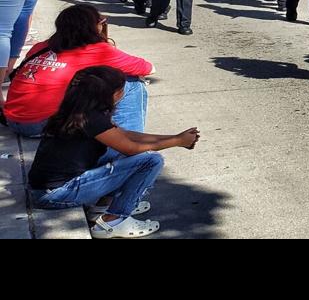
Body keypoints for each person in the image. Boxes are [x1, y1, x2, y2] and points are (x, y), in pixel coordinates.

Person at [25, 65, 199, 239]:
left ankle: (104, 206)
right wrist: (177, 142)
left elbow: (127, 135)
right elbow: (130, 148)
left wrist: (176, 137)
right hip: (56, 194)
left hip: (48, 190)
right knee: (151, 160)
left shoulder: (79, 110)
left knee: (118, 154)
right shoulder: (92, 119)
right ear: (111, 95)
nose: (124, 92)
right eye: (122, 89)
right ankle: (114, 221)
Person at [5, 3, 152, 137]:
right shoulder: (98, 51)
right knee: (131, 82)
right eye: (101, 22)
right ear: (94, 27)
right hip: (42, 125)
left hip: (13, 119)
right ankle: (128, 139)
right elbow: (147, 68)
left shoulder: (41, 47)